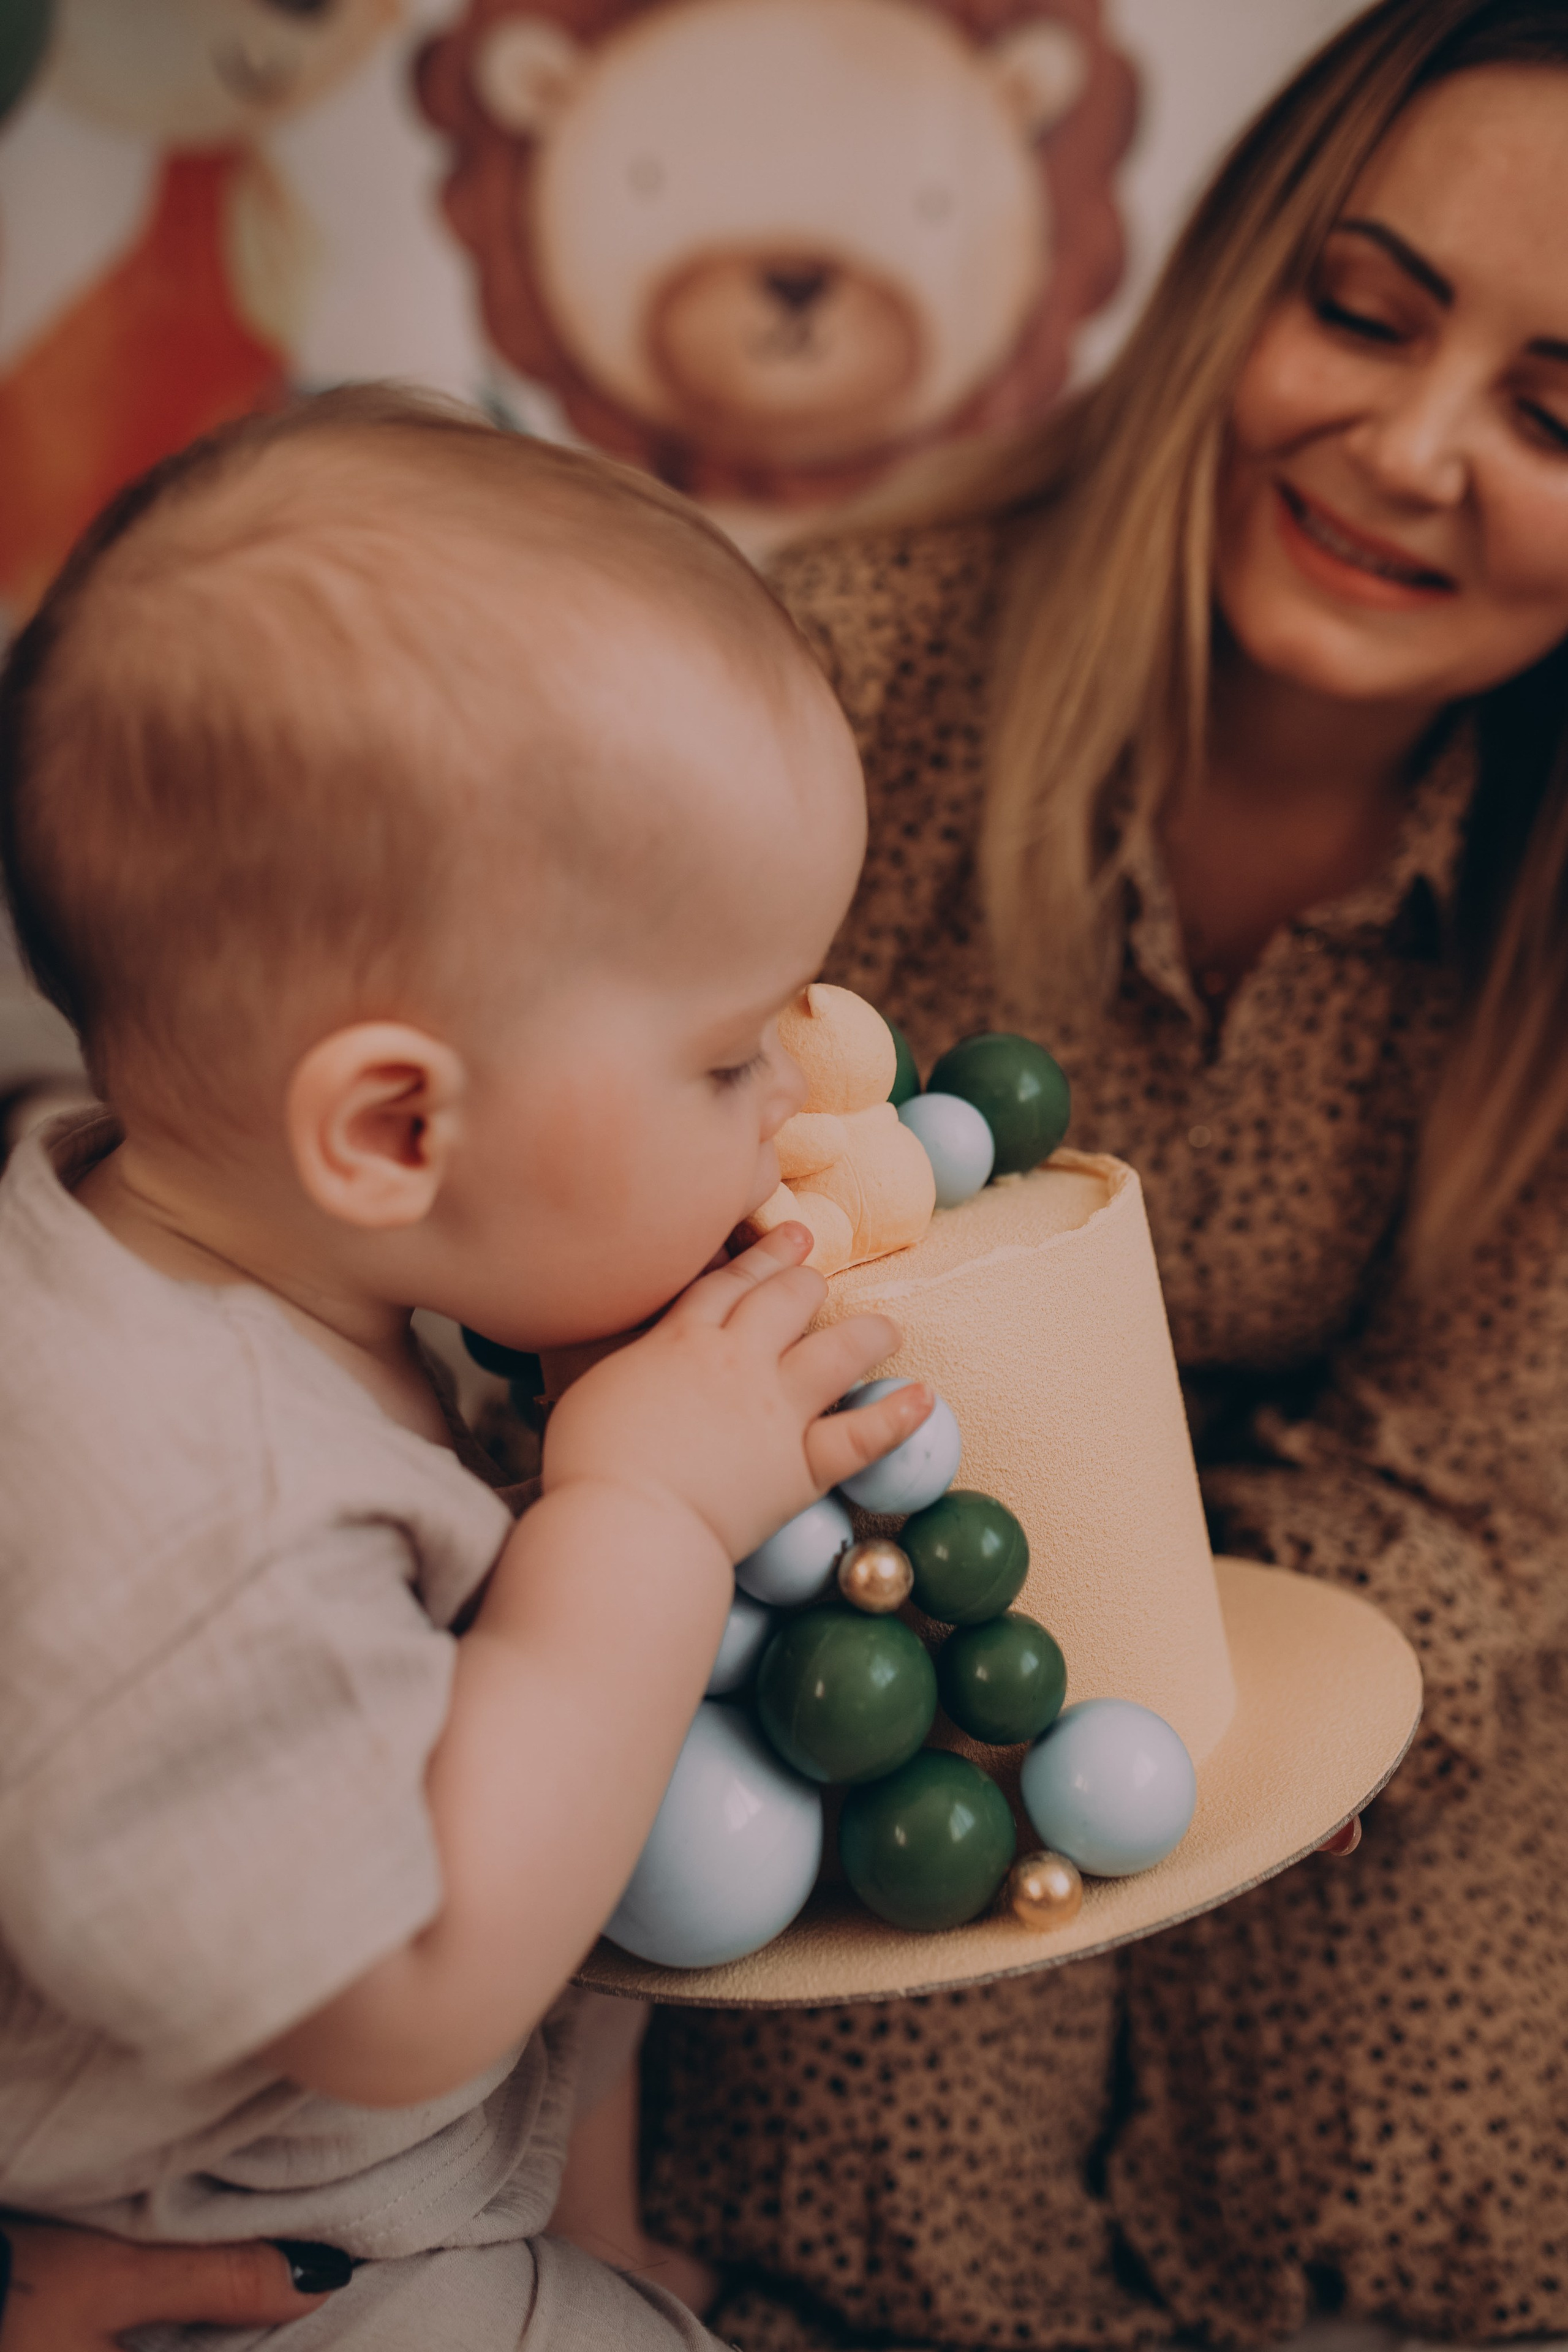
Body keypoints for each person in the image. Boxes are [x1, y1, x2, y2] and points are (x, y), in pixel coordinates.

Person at [631, 1, 1568, 2344]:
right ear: (1234, 281)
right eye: (1360, 309)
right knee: (881, 2177)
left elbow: (1487, 1482)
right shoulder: (837, 678)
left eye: (1564, 418)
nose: (1414, 447)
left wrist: (1242, 1686)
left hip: (1353, 1605)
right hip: (848, 1580)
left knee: (1439, 2170)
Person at [0, 385, 934, 2349]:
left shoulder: (164, 1232)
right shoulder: (200, 1533)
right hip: (265, 2287)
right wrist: (646, 1510)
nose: (783, 1104)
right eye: (720, 1058)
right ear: (398, 1135)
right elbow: (418, 1980)